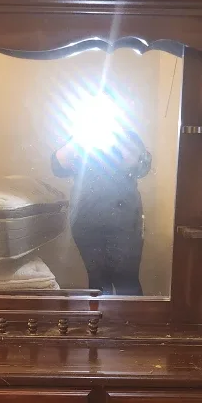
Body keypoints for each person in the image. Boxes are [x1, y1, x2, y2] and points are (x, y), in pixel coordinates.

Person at [51, 118, 151, 296]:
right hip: (86, 219)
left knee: (126, 280)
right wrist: (80, 137)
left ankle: (130, 323)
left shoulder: (127, 136)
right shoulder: (80, 135)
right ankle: (99, 324)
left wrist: (123, 142)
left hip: (125, 220)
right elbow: (58, 166)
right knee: (97, 280)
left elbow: (142, 166)